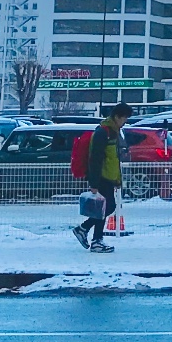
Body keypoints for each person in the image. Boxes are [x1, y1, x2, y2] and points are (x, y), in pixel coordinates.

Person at [71, 103, 130, 253]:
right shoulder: (103, 132)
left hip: (108, 177)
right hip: (102, 177)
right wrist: (94, 182)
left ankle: (93, 236)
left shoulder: (113, 131)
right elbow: (95, 158)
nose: (125, 122)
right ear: (117, 117)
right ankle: (89, 234)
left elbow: (113, 158)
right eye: (124, 118)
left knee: (104, 209)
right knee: (107, 208)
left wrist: (117, 179)